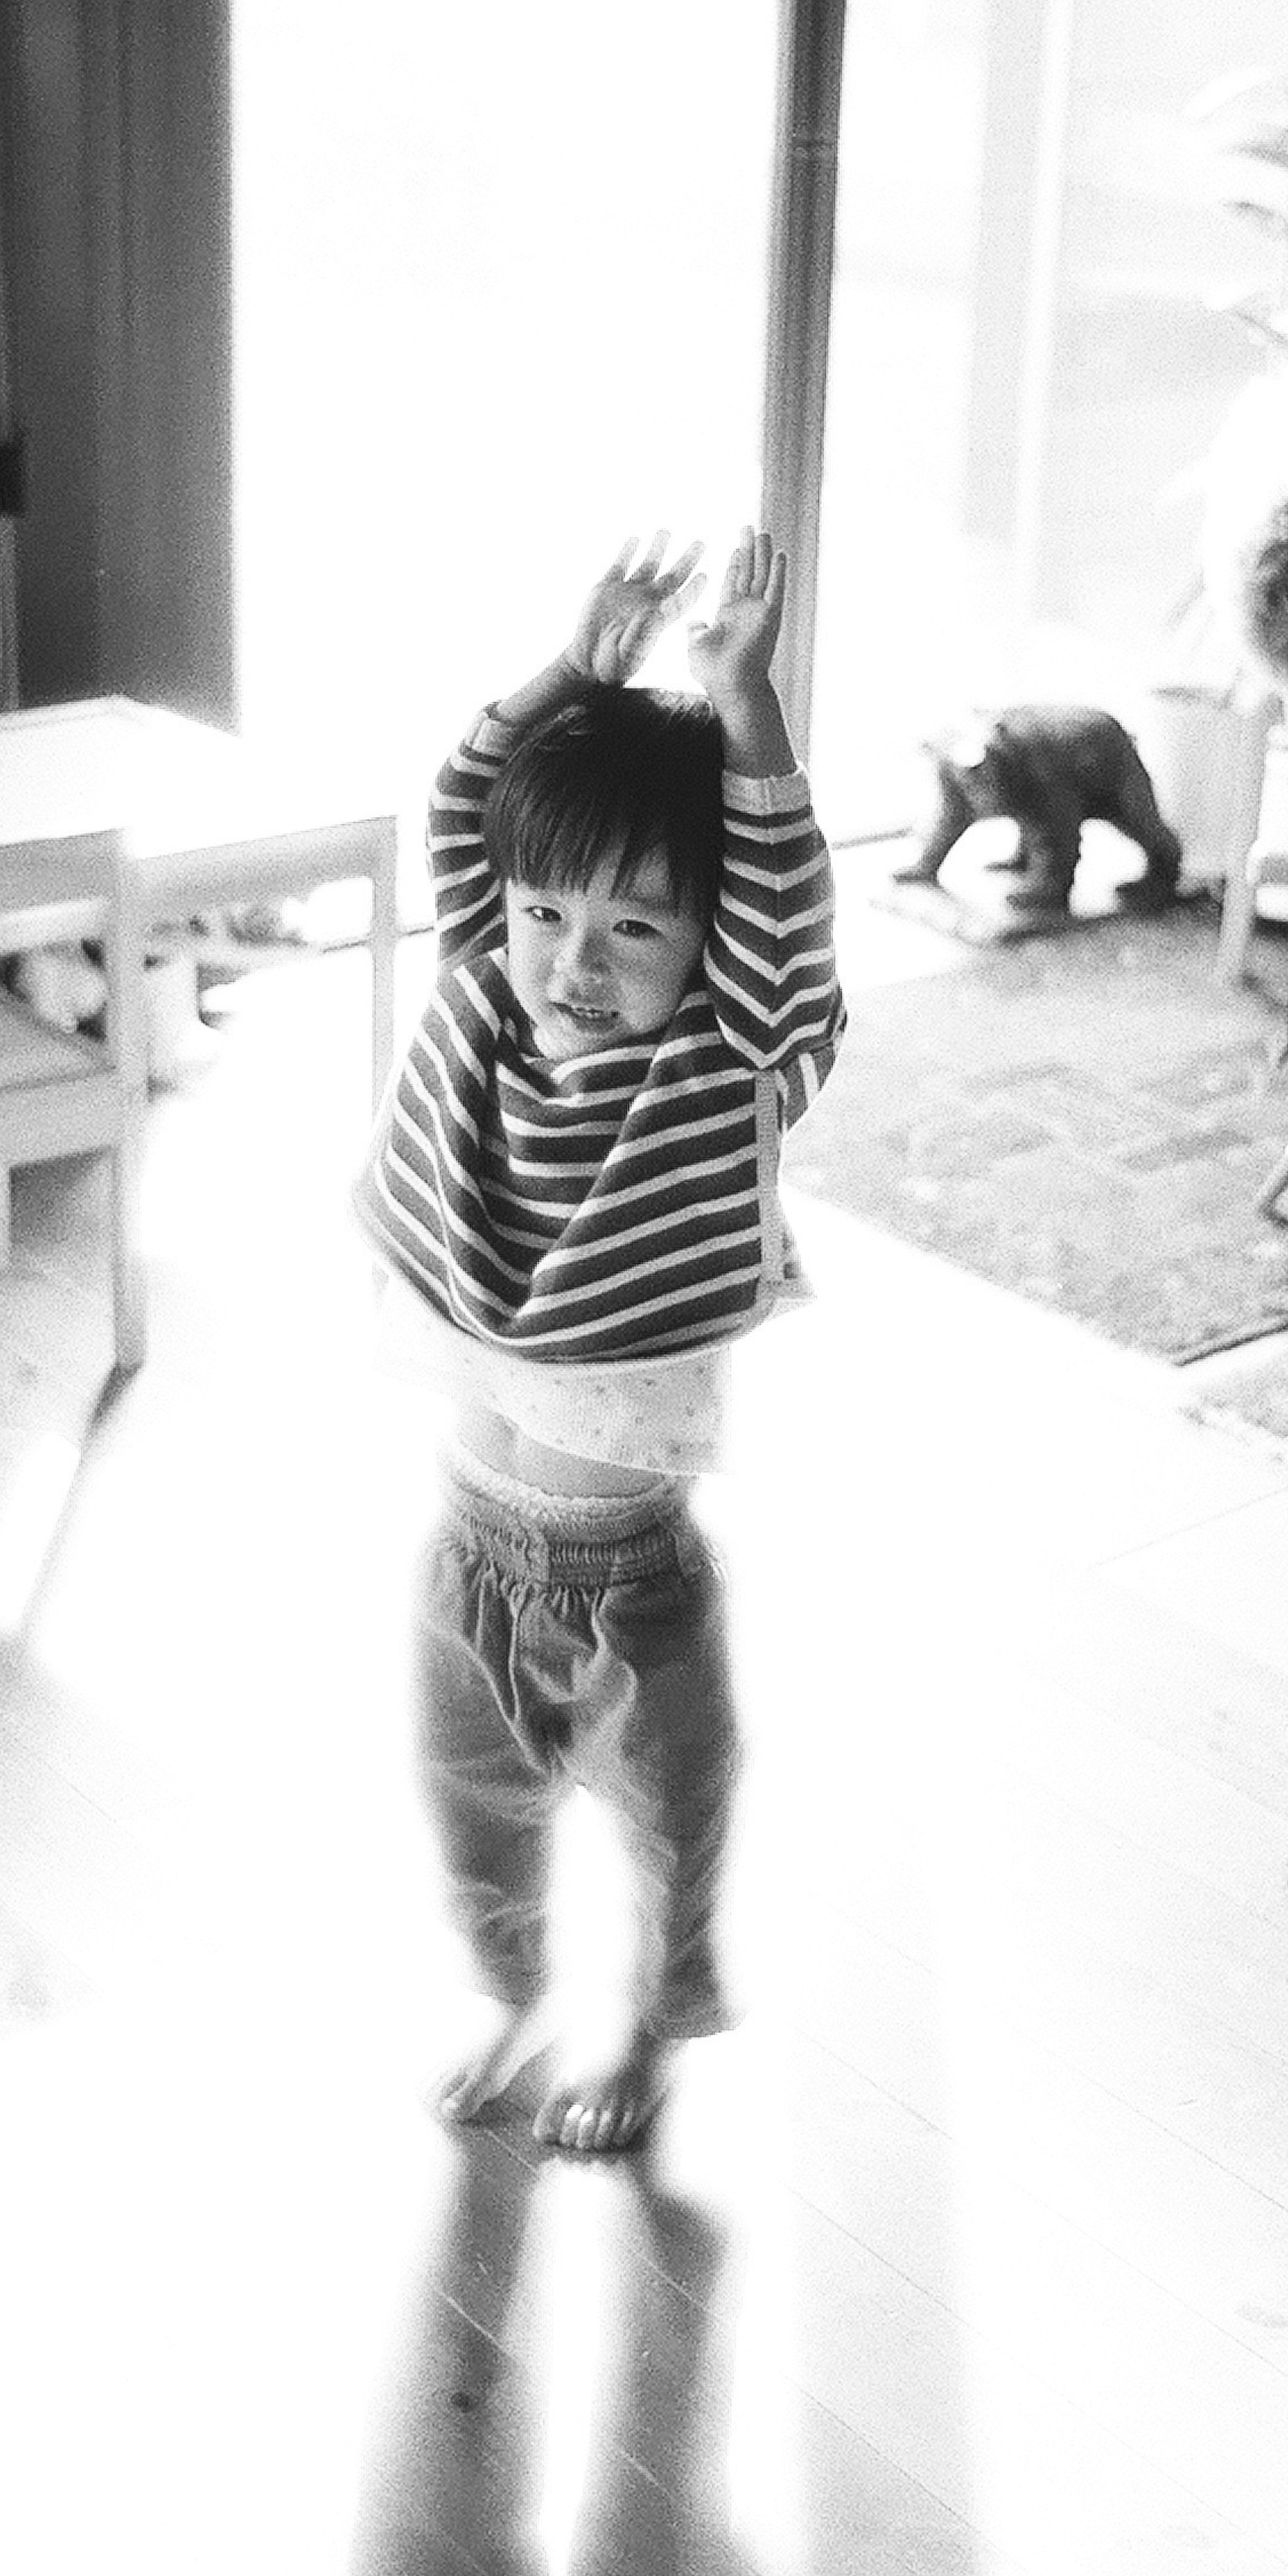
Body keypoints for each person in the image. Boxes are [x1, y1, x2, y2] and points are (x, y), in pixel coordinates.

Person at [357, 529, 844, 2155]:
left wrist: (741, 698)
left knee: (664, 1823)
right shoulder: (490, 1001)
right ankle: (512, 1997)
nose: (575, 959)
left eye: (638, 930)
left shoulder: (726, 1061)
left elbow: (784, 929)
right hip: (463, 1547)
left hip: (623, 1570)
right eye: (549, 911)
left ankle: (643, 2027)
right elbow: (461, 813)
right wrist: (572, 667)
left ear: (708, 947)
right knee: (469, 1816)